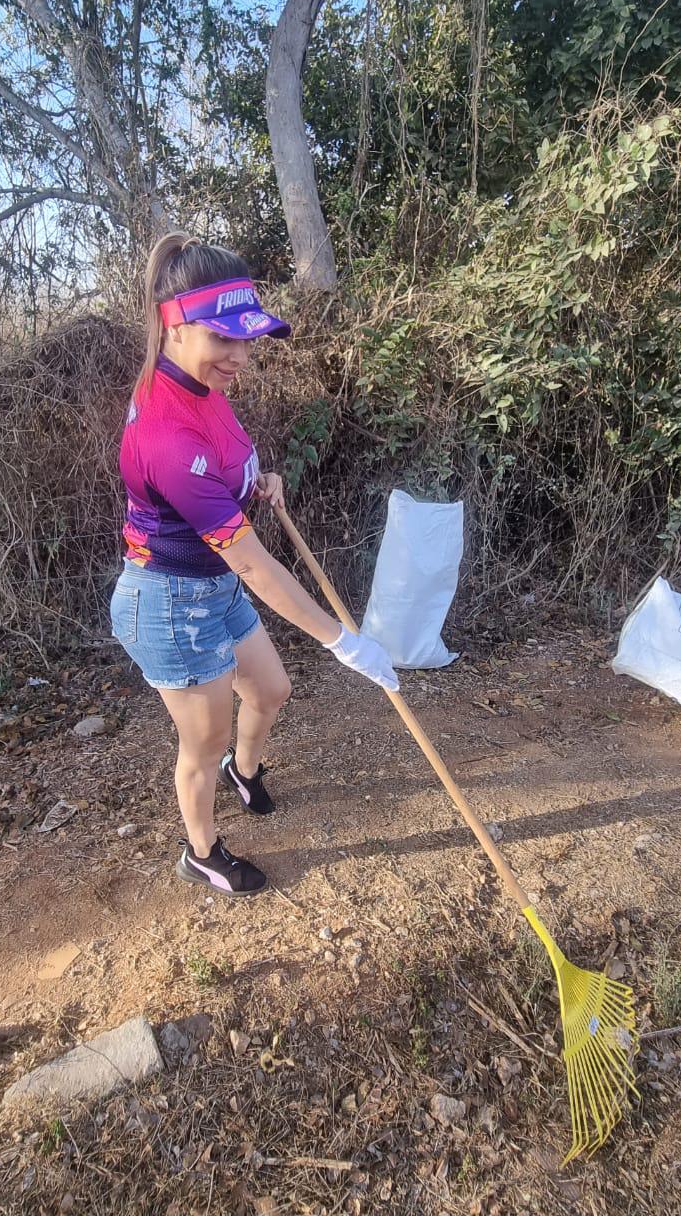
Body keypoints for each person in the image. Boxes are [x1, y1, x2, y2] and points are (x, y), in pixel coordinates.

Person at [110, 231, 399, 897]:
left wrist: (256, 481)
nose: (240, 356)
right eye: (223, 339)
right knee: (201, 746)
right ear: (171, 325)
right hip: (172, 605)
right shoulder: (166, 433)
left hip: (209, 586)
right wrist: (342, 640)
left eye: (248, 338)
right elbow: (257, 568)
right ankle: (203, 851)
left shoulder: (199, 386)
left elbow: (223, 464)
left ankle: (247, 774)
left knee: (270, 691)